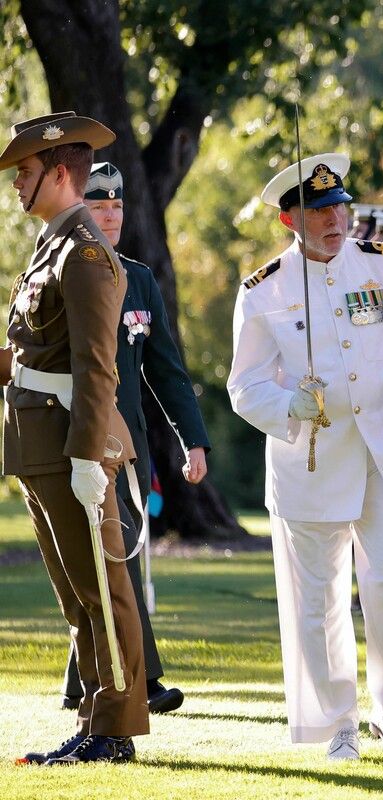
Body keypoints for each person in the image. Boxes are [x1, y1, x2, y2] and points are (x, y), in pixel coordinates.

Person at [227, 152, 383, 760]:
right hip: (311, 459)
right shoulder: (265, 290)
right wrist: (290, 403)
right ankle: (338, 719)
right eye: (318, 212)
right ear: (291, 220)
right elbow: (243, 385)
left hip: (381, 452)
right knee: (318, 600)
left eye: (339, 207)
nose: (334, 220)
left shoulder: (382, 267)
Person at [2, 111, 148, 765]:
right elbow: (33, 353)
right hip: (40, 441)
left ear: (59, 173)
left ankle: (114, 730)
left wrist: (89, 456)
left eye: (24, 173)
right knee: (75, 594)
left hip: (70, 444)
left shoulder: (86, 252)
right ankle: (95, 720)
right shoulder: (53, 246)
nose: (16, 185)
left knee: (100, 588)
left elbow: (97, 365)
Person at [58, 162, 211, 717]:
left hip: (130, 445)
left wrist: (192, 440)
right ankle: (139, 682)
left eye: (117, 206)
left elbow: (166, 369)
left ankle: (83, 682)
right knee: (105, 556)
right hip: (77, 438)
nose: (112, 215)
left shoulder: (140, 280)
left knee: (106, 554)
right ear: (80, 211)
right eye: (100, 206)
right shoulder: (63, 274)